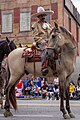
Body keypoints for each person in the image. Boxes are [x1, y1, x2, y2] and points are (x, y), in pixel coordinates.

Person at [31, 6, 54, 75]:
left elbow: (51, 34)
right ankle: (44, 66)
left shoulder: (49, 25)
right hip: (40, 43)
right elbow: (35, 36)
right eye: (41, 16)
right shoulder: (35, 25)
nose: (43, 17)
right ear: (38, 17)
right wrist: (42, 41)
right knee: (46, 50)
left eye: (43, 15)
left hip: (49, 42)